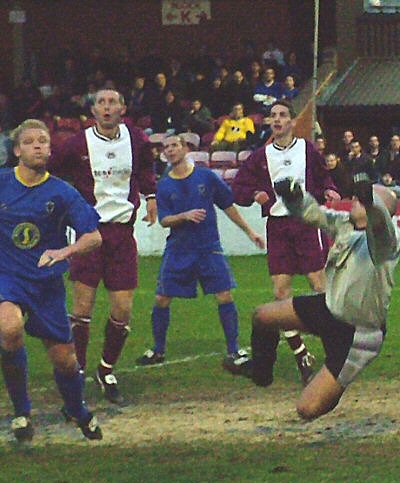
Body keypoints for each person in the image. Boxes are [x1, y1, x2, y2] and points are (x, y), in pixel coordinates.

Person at [246, 174, 400, 420]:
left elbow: (380, 224)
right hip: (329, 308)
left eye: (360, 201)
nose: (354, 201)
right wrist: (292, 195)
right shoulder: (345, 224)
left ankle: (333, 389)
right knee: (262, 316)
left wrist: (371, 202)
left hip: (358, 332)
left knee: (307, 409)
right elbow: (312, 214)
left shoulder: (387, 240)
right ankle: (261, 373)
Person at [48, 89, 157, 404]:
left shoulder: (136, 139)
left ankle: (106, 368)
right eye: (101, 103)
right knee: (82, 308)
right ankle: (78, 370)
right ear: (92, 110)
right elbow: (52, 168)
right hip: (88, 233)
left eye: (113, 102)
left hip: (122, 235)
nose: (107, 108)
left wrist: (151, 196)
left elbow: (146, 169)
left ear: (123, 108)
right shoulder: (77, 143)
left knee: (122, 309)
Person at [1, 119, 103, 442]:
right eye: (30, 141)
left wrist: (64, 252)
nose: (38, 146)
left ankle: (78, 410)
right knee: (8, 327)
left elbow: (94, 237)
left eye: (43, 141)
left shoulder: (62, 192)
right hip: (8, 277)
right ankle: (21, 412)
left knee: (65, 360)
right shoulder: (2, 183)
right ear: (17, 150)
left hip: (46, 284)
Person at [232, 100, 340, 385]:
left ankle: (337, 350)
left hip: (306, 223)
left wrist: (329, 188)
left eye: (282, 115)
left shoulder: (307, 150)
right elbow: (239, 188)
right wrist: (254, 194)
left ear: (292, 122)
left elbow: (323, 175)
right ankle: (301, 353)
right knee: (281, 292)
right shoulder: (260, 156)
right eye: (273, 116)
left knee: (319, 285)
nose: (277, 120)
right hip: (278, 227)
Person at [135, 135, 265, 369]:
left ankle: (234, 349)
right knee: (161, 298)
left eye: (174, 145)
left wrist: (250, 232)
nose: (170, 150)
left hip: (208, 247)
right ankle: (158, 349)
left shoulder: (206, 177)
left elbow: (227, 205)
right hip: (178, 250)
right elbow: (164, 220)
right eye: (166, 148)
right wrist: (184, 216)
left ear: (185, 148)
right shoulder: (163, 184)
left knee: (224, 295)